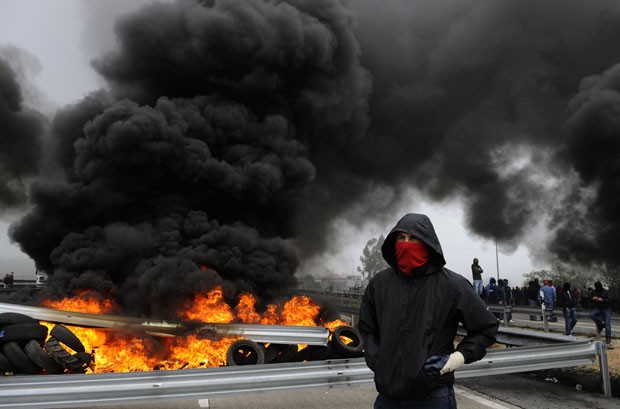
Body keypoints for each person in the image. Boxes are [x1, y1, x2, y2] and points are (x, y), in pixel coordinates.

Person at [359, 213, 498, 409]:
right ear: (394, 241)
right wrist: (377, 360)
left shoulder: (453, 285)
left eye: (413, 238)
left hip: (432, 395)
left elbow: (486, 328)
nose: (407, 244)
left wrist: (455, 359)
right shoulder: (379, 284)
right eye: (401, 238)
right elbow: (367, 329)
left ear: (427, 242)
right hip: (387, 398)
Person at [590, 281, 613, 348]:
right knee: (592, 315)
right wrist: (593, 298)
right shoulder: (594, 291)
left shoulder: (606, 291)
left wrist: (602, 300)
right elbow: (590, 299)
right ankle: (601, 325)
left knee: (607, 323)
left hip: (606, 308)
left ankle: (608, 338)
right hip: (598, 308)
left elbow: (610, 300)